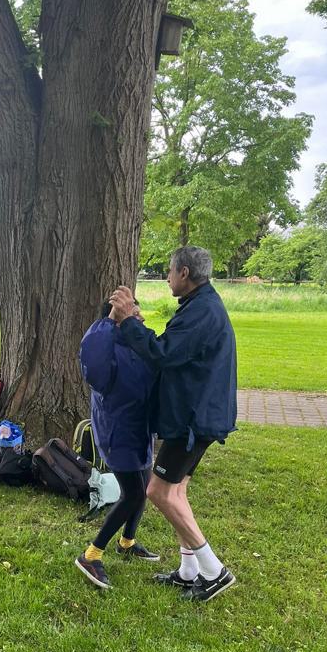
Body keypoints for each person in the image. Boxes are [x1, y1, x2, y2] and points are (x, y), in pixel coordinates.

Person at [109, 246, 237, 602]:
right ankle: (188, 571)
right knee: (176, 492)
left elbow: (163, 353)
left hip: (193, 419)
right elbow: (174, 348)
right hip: (198, 415)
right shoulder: (200, 304)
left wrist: (128, 322)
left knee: (158, 492)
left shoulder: (202, 311)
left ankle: (214, 571)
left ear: (183, 273)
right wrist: (137, 324)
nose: (166, 278)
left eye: (169, 271)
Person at [74, 299, 159, 590]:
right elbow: (94, 363)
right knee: (133, 494)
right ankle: (91, 554)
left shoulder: (135, 344)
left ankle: (127, 541)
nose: (142, 318)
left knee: (143, 488)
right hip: (118, 431)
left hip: (140, 429)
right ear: (116, 321)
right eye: (134, 314)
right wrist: (111, 318)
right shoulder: (105, 346)